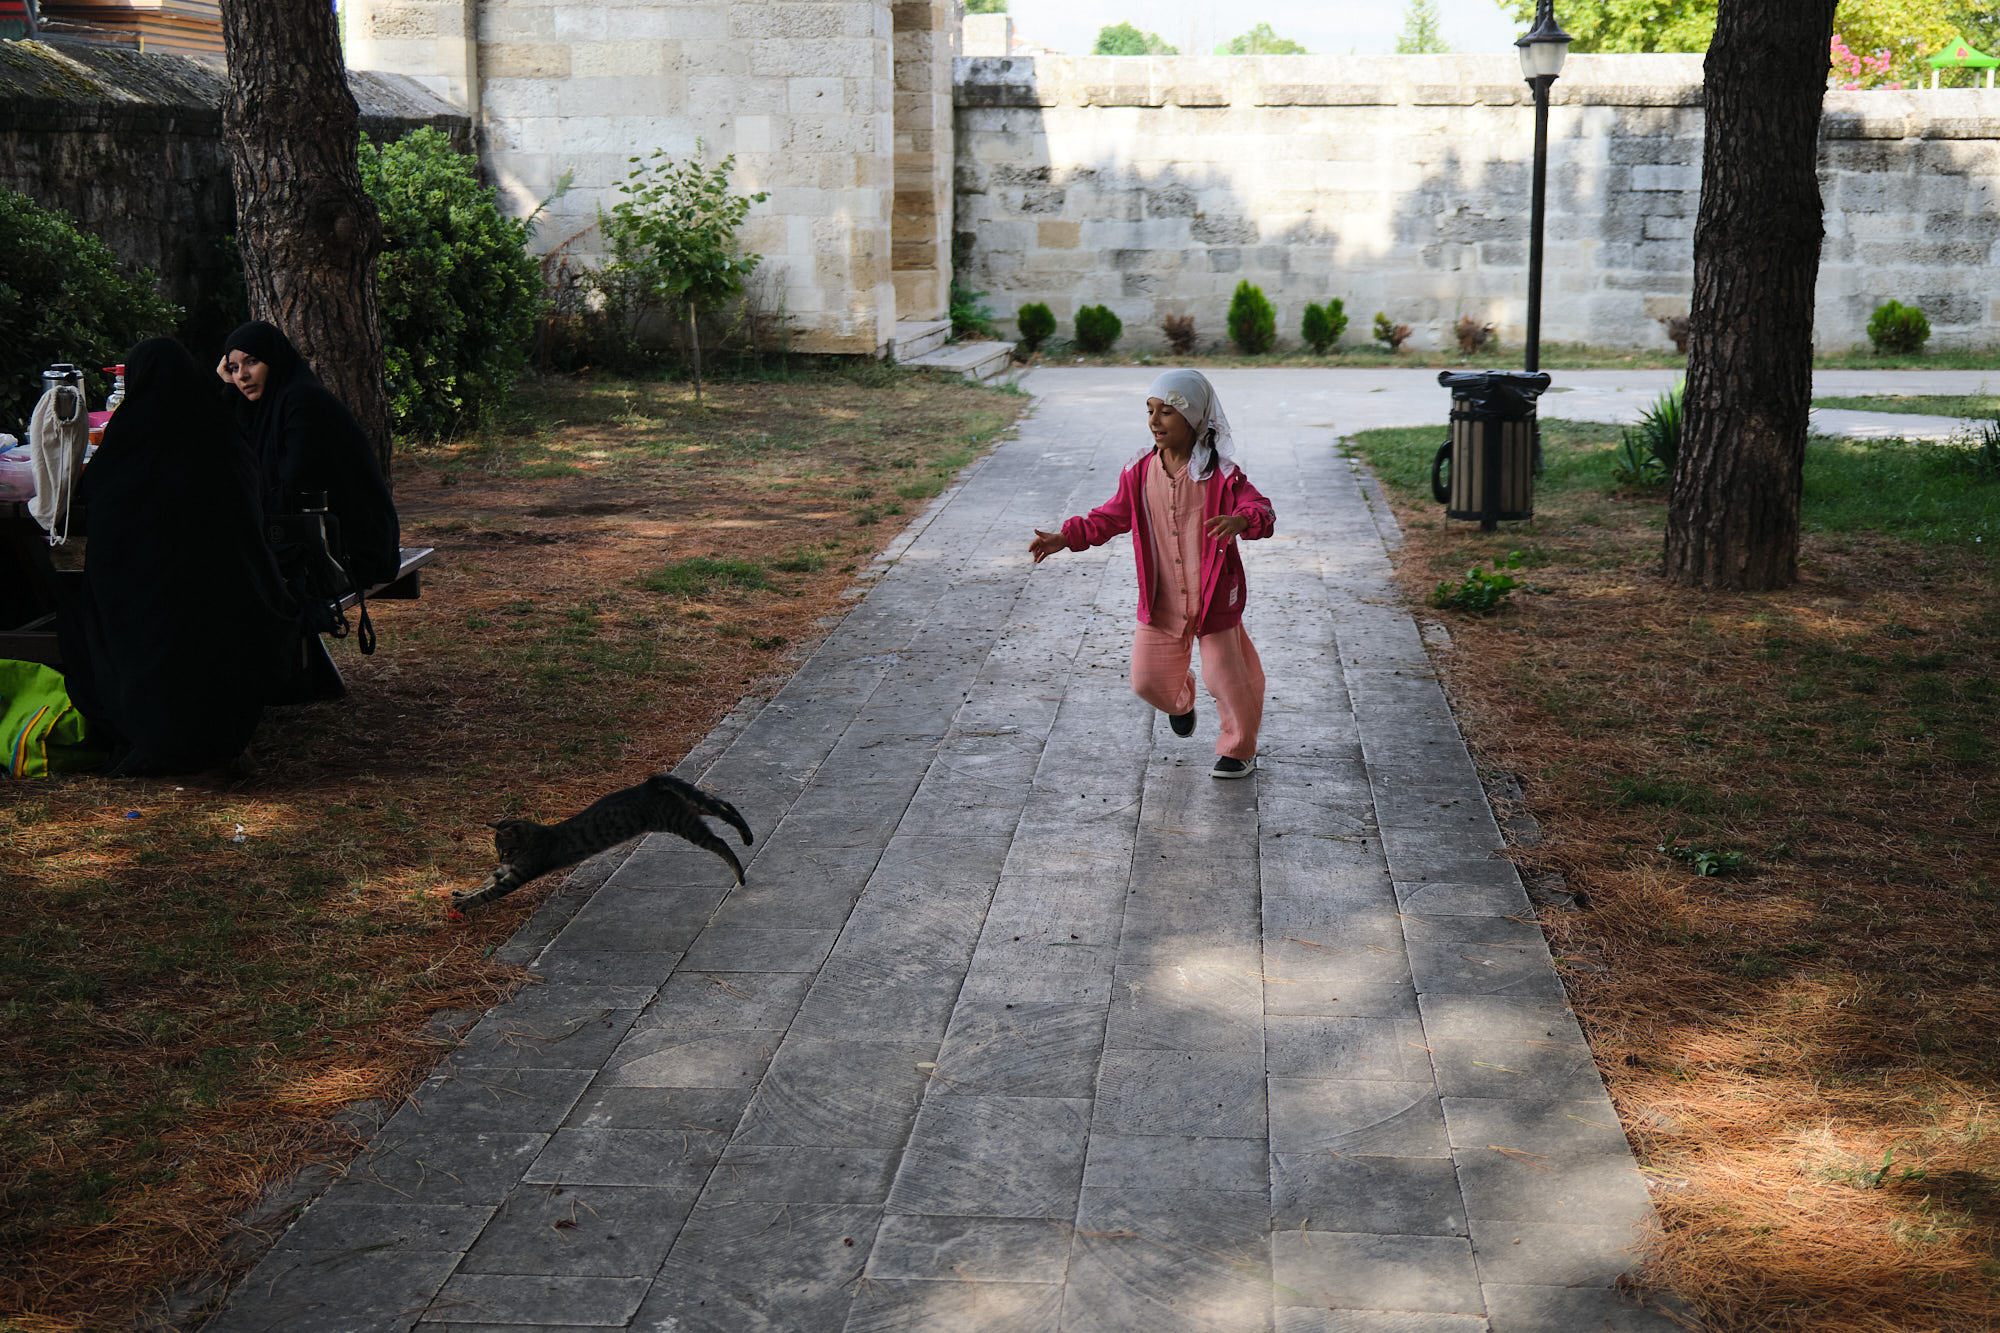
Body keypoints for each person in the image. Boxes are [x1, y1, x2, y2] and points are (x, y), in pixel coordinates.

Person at [56, 338, 300, 776]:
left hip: (141, 620)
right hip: (229, 611)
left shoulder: (126, 443)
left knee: (83, 607)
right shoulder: (224, 438)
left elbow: (90, 506)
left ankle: (145, 732)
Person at [1030, 370, 1274, 778]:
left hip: (1214, 597)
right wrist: (1066, 537)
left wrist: (1241, 520)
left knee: (1229, 679)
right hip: (1163, 598)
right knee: (1147, 681)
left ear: (1194, 419)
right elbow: (1110, 517)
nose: (1155, 421)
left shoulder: (1223, 476)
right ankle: (1183, 700)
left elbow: (1263, 511)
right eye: (1150, 411)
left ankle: (1239, 749)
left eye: (1167, 412)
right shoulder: (1139, 471)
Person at [218, 321, 400, 588]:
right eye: (233, 368)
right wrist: (229, 389)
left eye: (252, 362)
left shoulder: (303, 402)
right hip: (308, 538)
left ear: (273, 360)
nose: (242, 375)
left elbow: (295, 487)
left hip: (350, 550)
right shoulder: (270, 406)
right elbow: (239, 452)